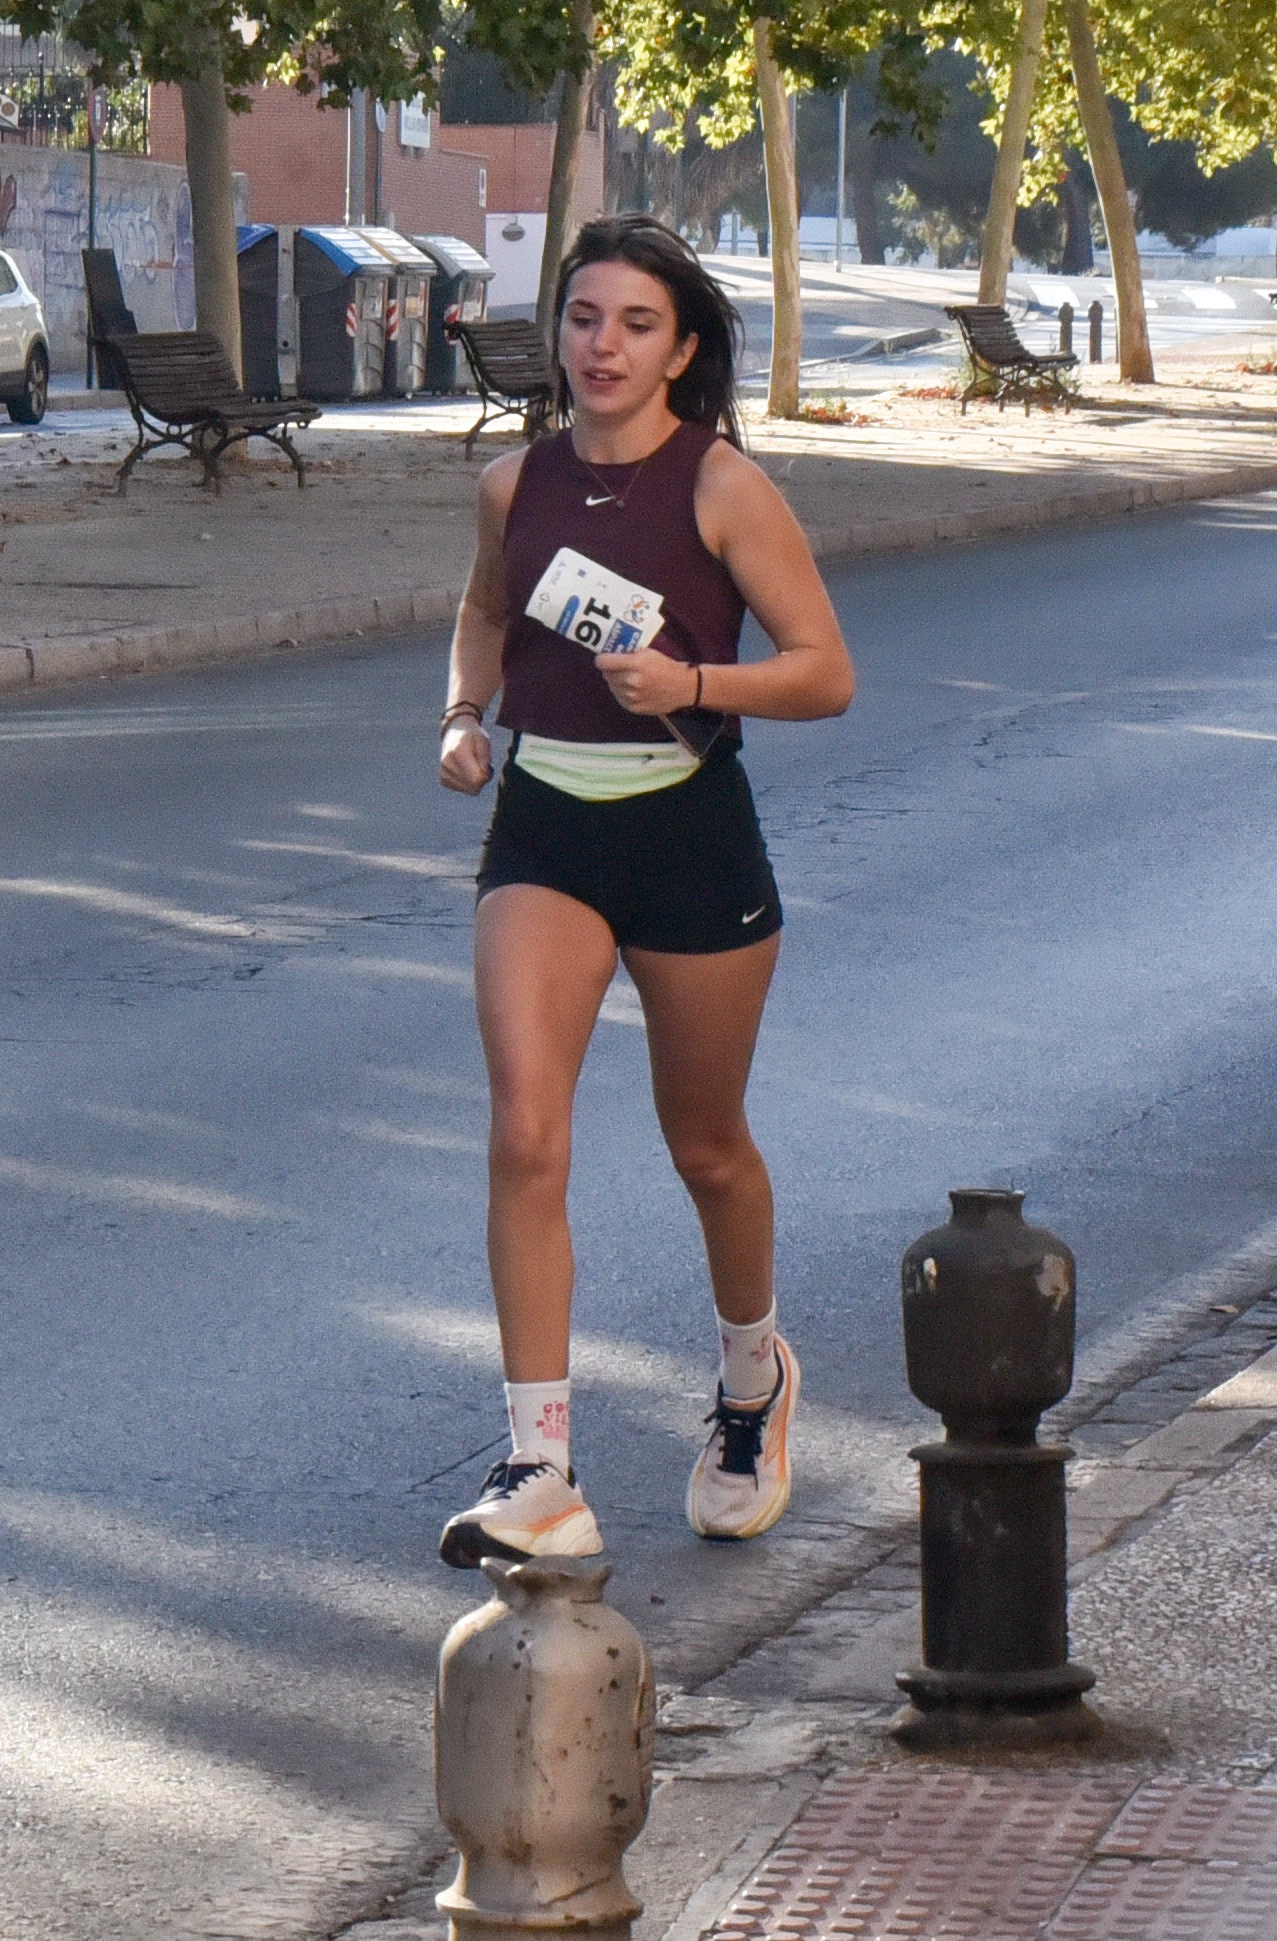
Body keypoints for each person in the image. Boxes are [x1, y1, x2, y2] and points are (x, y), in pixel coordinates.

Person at [433, 216, 855, 1568]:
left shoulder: (723, 487)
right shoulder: (515, 484)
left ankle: (752, 1383)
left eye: (632, 324)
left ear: (679, 351)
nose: (600, 346)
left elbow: (823, 672)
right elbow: (489, 610)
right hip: (546, 820)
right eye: (582, 319)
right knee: (524, 1130)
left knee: (706, 1144)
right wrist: (462, 712)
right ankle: (539, 1464)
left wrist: (694, 686)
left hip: (689, 830)